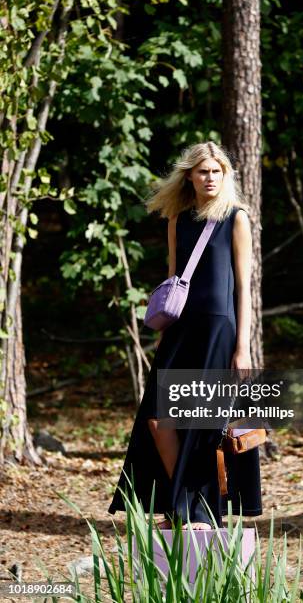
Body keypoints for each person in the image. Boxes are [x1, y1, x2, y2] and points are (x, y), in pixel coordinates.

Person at [108, 141, 262, 530]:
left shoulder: (236, 218)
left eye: (216, 171)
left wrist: (242, 346)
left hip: (218, 329)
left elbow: (244, 288)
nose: (209, 178)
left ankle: (196, 512)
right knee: (159, 418)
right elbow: (175, 279)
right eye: (202, 171)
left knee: (202, 421)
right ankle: (182, 502)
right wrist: (164, 336)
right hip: (181, 330)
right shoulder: (178, 220)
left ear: (225, 175)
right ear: (189, 176)